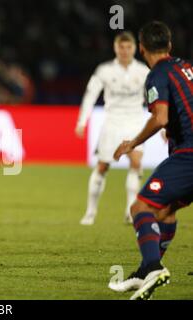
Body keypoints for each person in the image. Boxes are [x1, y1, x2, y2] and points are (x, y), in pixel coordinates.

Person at [110, 21, 193, 300]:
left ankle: (153, 268)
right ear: (169, 45)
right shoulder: (186, 67)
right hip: (185, 150)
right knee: (165, 210)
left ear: (142, 48)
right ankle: (147, 269)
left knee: (141, 206)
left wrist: (132, 143)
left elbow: (160, 117)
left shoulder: (158, 73)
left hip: (189, 154)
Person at [76, 31, 150, 225]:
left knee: (136, 163)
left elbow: (153, 98)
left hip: (135, 121)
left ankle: (129, 211)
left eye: (128, 47)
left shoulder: (143, 71)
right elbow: (90, 95)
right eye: (121, 47)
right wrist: (82, 121)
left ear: (135, 48)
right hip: (112, 122)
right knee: (102, 166)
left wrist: (164, 125)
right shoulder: (104, 70)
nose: (125, 51)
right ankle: (90, 212)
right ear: (115, 48)